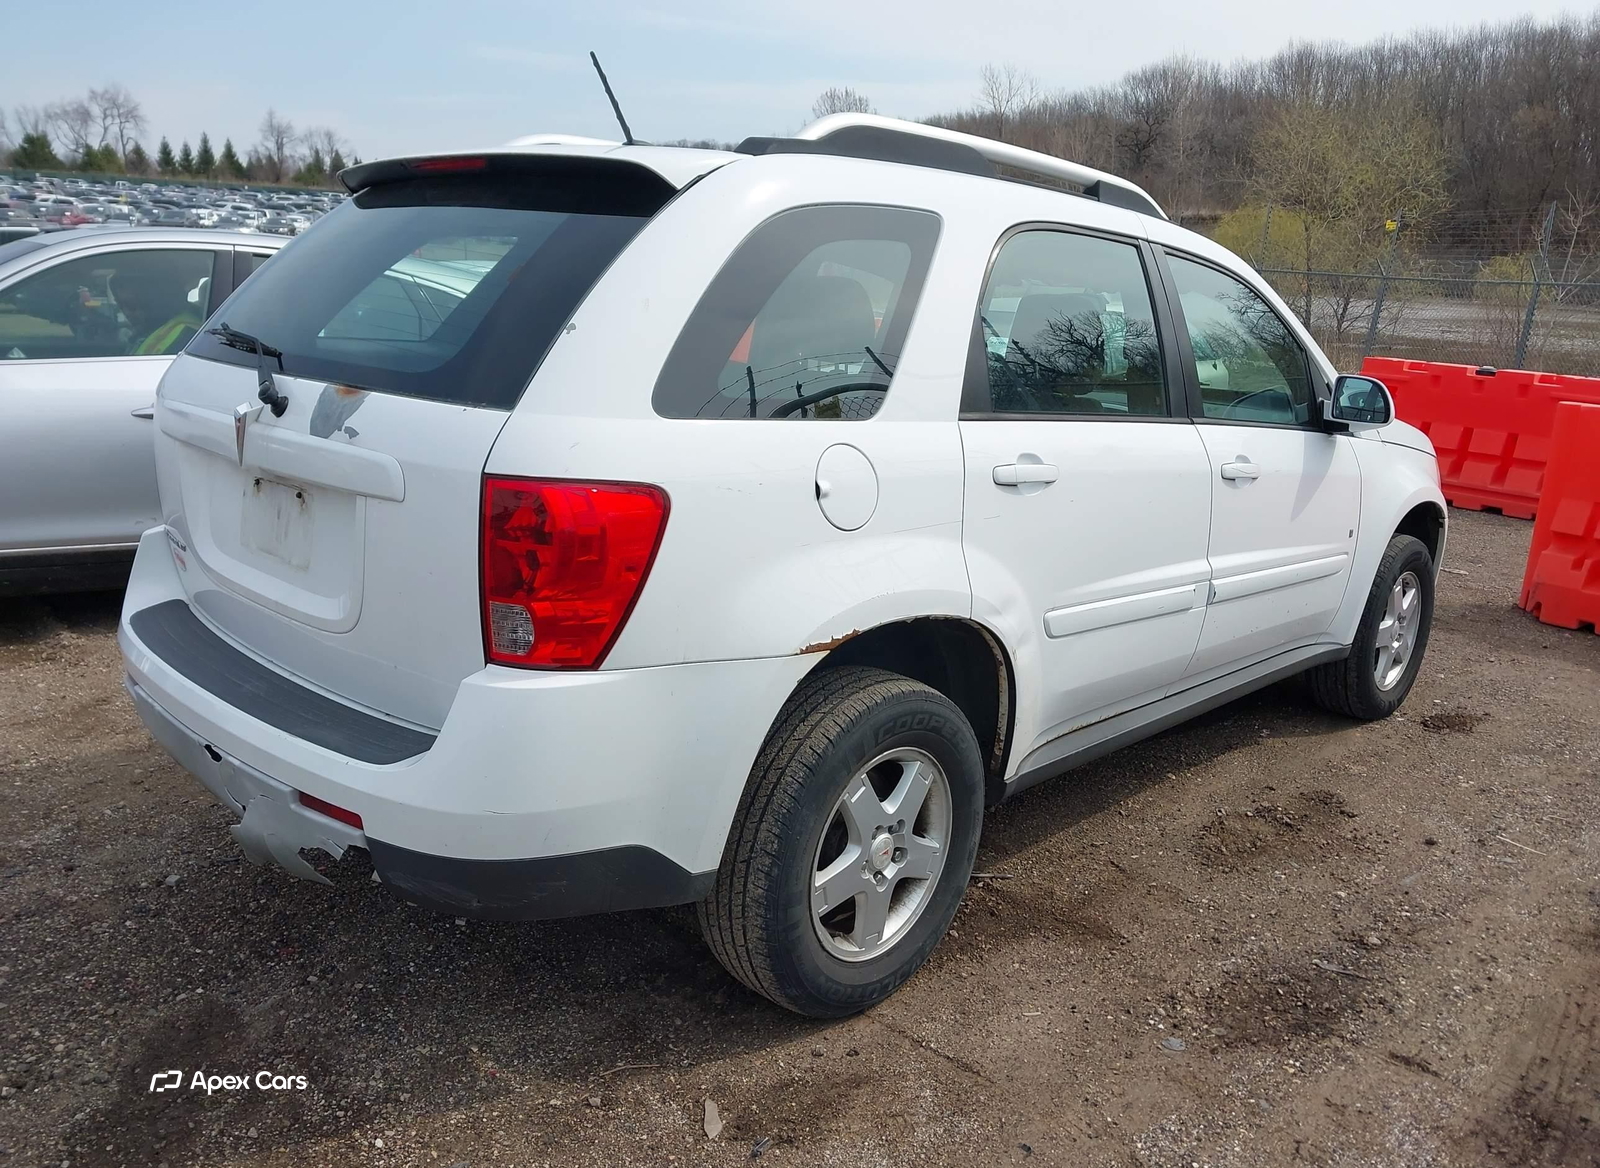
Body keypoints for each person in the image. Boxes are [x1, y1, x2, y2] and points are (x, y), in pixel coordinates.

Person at [108, 258, 209, 356]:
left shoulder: (188, 335)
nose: (127, 313)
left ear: (154, 299)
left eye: (132, 306)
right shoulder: (149, 329)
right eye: (120, 305)